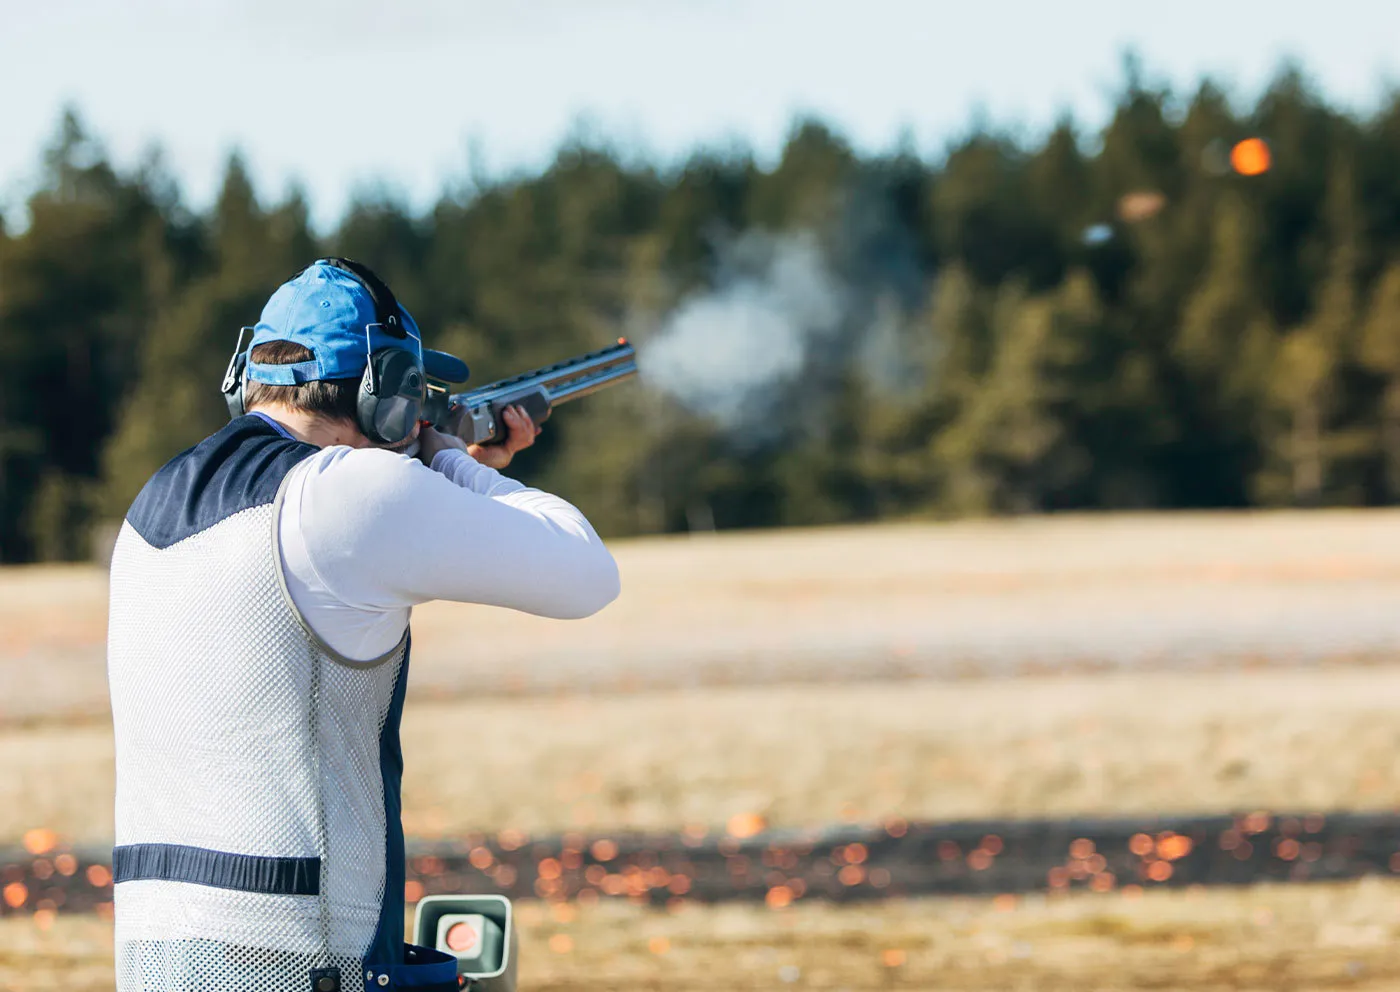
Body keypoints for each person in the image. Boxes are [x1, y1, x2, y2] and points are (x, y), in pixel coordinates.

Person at [106, 258, 620, 992]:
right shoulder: (346, 492)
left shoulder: (153, 504)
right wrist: (449, 460)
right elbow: (585, 571)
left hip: (155, 954)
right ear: (389, 390)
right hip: (301, 957)